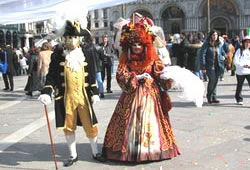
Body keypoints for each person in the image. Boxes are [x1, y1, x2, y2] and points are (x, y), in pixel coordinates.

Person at [102, 17, 180, 162]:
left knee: (151, 120)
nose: (137, 47)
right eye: (134, 44)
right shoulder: (126, 60)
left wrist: (166, 77)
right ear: (129, 46)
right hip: (131, 96)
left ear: (145, 45)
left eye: (140, 44)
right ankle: (131, 150)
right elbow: (120, 75)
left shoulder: (152, 60)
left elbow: (159, 73)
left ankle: (151, 150)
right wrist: (136, 78)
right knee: (129, 122)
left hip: (151, 95)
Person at [38, 19, 106, 167]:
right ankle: (73, 155)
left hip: (83, 97)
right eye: (68, 37)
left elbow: (92, 74)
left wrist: (94, 92)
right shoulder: (58, 56)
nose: (71, 40)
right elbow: (51, 76)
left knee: (91, 124)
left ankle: (95, 152)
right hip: (66, 98)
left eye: (74, 37)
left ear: (79, 38)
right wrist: (46, 92)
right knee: (68, 126)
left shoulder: (86, 53)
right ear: (64, 38)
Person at [200, 30, 226, 104]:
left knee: (215, 81)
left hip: (218, 65)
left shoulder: (219, 44)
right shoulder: (206, 44)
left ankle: (214, 97)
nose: (215, 36)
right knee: (212, 80)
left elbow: (222, 51)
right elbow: (202, 55)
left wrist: (224, 55)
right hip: (210, 66)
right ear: (210, 36)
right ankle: (209, 96)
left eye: (216, 35)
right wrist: (203, 67)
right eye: (213, 35)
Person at [233, 35, 250, 105]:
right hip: (241, 71)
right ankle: (239, 98)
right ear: (243, 43)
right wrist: (242, 65)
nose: (248, 44)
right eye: (246, 42)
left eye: (249, 42)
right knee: (240, 85)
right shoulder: (239, 51)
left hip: (249, 71)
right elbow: (235, 61)